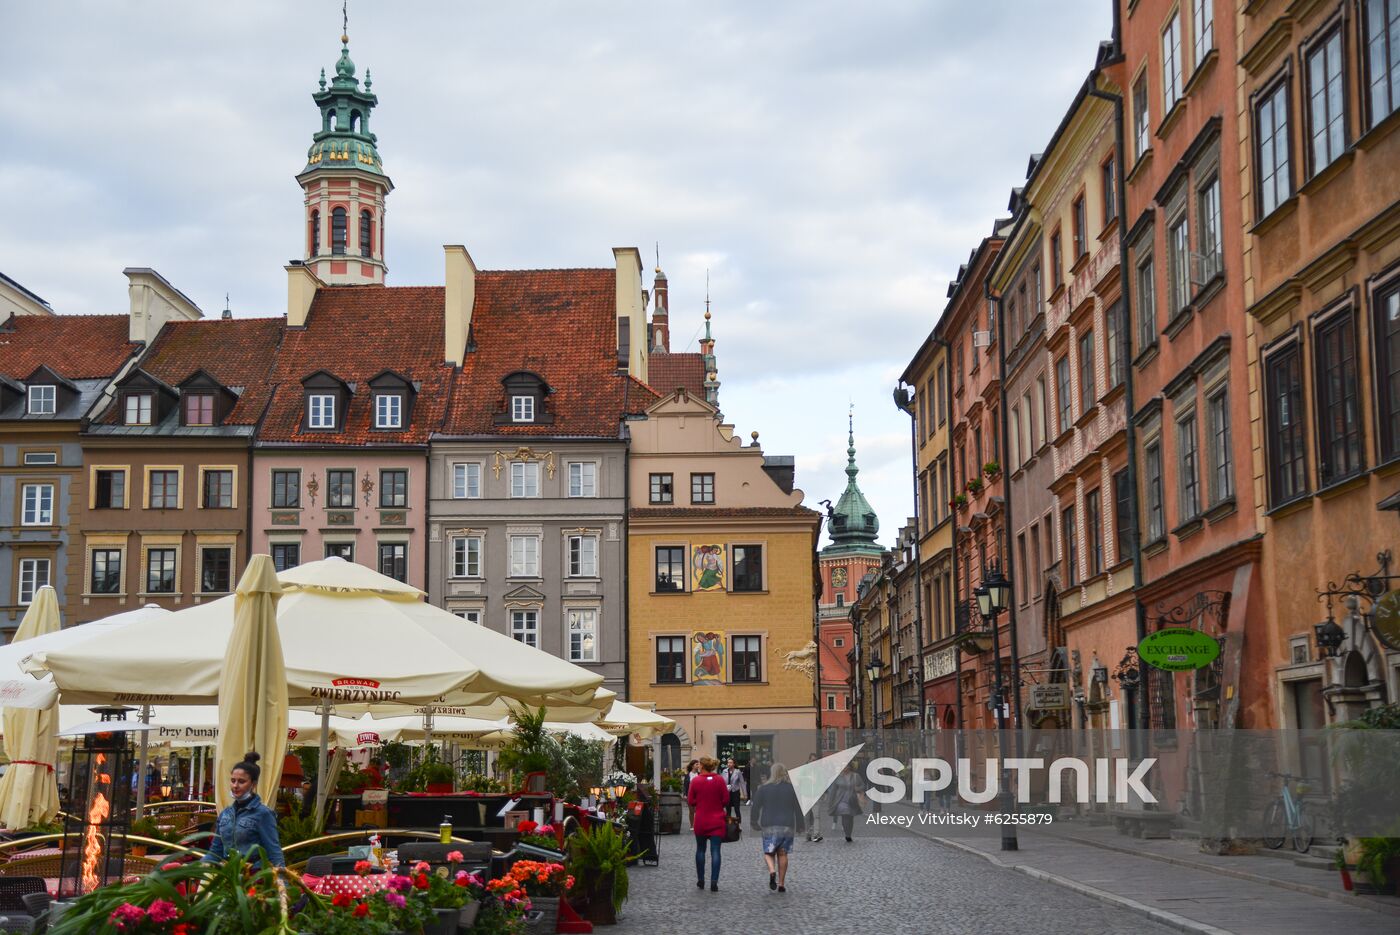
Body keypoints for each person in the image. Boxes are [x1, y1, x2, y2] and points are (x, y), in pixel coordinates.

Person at [204, 752, 285, 867]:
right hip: (228, 876)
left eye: (241, 781)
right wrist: (196, 868)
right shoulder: (225, 814)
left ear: (253, 784)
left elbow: (274, 852)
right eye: (233, 780)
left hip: (254, 877)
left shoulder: (263, 814)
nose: (235, 786)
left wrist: (281, 882)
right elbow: (215, 852)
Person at [751, 763, 804, 893]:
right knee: (783, 853)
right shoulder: (792, 788)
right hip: (787, 824)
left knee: (769, 852)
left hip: (769, 824)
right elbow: (798, 808)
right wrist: (801, 825)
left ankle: (772, 870)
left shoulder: (763, 789)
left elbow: (756, 806)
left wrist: (754, 821)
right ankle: (781, 883)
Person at [687, 756, 729, 891]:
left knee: (700, 850)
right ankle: (714, 881)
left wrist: (700, 802)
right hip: (717, 820)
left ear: (702, 766)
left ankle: (700, 880)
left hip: (701, 820)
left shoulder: (696, 781)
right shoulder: (720, 780)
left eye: (699, 764)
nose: (698, 766)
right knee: (716, 851)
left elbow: (690, 801)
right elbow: (726, 800)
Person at [829, 760, 866, 842]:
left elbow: (863, 786)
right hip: (841, 800)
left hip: (852, 800)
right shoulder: (838, 777)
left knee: (850, 818)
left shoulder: (856, 776)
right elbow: (833, 791)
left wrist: (858, 789)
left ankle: (849, 833)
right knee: (845, 816)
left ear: (849, 767)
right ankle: (847, 835)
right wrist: (831, 802)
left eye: (845, 766)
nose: (843, 768)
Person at [800, 753, 824, 843]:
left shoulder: (819, 770)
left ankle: (816, 834)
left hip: (815, 795)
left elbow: (822, 781)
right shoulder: (804, 768)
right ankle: (808, 834)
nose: (814, 762)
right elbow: (798, 777)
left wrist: (820, 792)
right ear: (809, 760)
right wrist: (807, 778)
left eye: (816, 760)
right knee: (807, 817)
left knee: (816, 816)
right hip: (805, 795)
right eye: (813, 760)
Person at [682, 759, 700, 828]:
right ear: (692, 766)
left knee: (698, 811)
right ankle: (692, 825)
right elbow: (685, 785)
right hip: (690, 794)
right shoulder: (687, 775)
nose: (698, 766)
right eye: (696, 764)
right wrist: (685, 794)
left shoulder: (699, 774)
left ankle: (698, 824)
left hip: (698, 795)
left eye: (698, 764)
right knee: (691, 811)